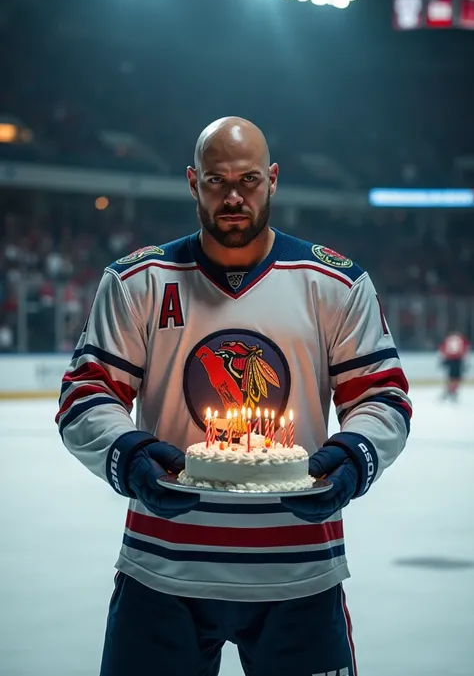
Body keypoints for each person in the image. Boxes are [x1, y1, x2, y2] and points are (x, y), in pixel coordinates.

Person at [56, 117, 413, 676]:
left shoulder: (336, 282)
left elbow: (383, 396)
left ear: (272, 180)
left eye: (247, 180)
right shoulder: (139, 280)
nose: (233, 196)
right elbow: (86, 393)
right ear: (193, 183)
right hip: (162, 567)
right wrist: (127, 453)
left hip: (300, 570)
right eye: (217, 180)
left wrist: (353, 456)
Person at [439, 331, 470, 401]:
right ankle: (453, 391)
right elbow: (466, 348)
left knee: (450, 376)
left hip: (450, 359)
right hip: (458, 359)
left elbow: (442, 349)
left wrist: (444, 358)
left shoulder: (448, 339)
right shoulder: (461, 339)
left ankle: (449, 390)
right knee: (456, 377)